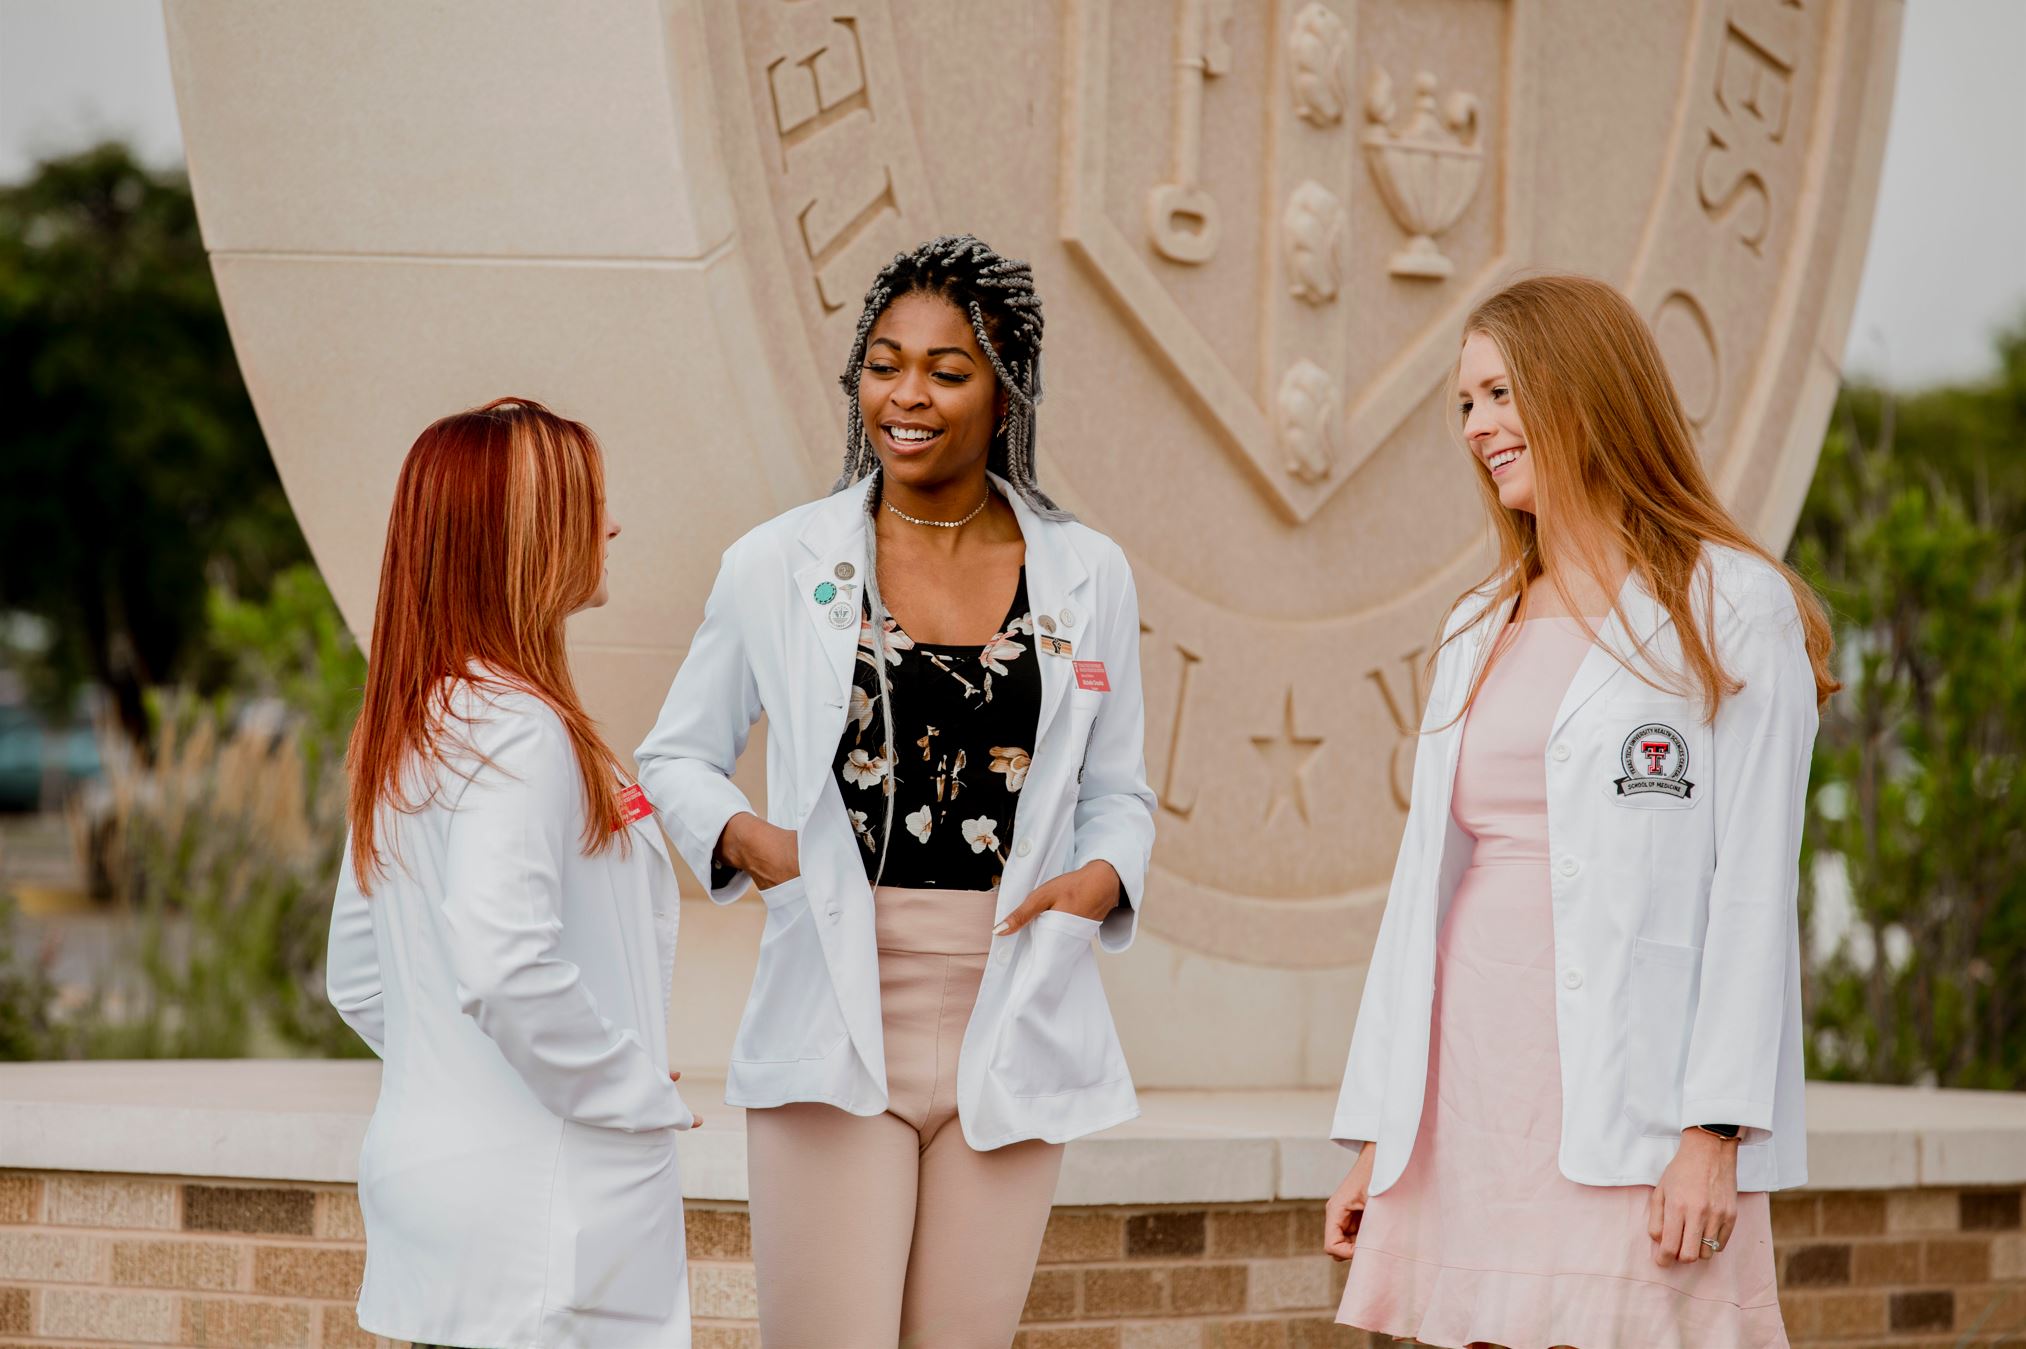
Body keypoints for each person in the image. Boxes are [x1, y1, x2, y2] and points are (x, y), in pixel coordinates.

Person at [636, 234, 1156, 1348]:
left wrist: (1099, 878)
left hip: (1013, 1004)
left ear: (1005, 387)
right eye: (883, 362)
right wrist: (754, 842)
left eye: (945, 369)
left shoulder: (1088, 571)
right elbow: (673, 753)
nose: (906, 394)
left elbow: (1119, 788)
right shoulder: (777, 562)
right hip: (836, 998)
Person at [1323, 275, 1837, 1348]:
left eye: (1500, 393)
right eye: (1465, 403)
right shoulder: (1476, 624)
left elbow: (1750, 889)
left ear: (1583, 394)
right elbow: (1423, 890)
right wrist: (1381, 1129)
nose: (1477, 427)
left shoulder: (1731, 606)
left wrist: (1713, 1128)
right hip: (1468, 1087)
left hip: (1639, 1094)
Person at [327, 398, 696, 1349]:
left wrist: (469, 1077)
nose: (611, 525)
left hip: (439, 1205)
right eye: (589, 502)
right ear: (525, 535)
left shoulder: (416, 723)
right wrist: (633, 1087)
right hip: (536, 1229)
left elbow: (363, 979)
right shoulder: (520, 730)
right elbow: (503, 964)